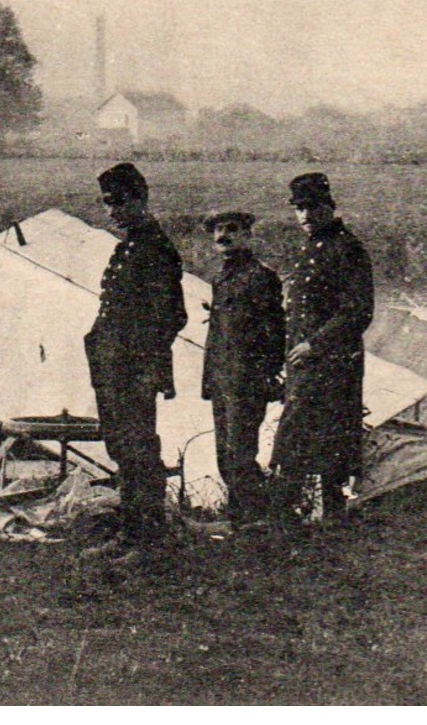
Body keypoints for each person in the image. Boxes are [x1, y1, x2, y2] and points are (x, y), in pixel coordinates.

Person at [82, 163, 187, 561]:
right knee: (123, 449)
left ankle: (149, 540)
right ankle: (130, 533)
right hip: (114, 366)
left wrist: (146, 368)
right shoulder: (128, 247)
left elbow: (172, 316)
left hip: (134, 369)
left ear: (141, 200)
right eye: (107, 203)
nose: (112, 211)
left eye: (119, 202)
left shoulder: (154, 249)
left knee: (140, 450)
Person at [271, 173, 374, 524]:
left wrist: (315, 344)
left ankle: (329, 518)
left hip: (334, 363)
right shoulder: (311, 246)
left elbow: (358, 311)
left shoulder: (347, 248)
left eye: (312, 207)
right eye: (299, 208)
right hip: (305, 363)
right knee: (297, 437)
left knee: (331, 441)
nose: (305, 215)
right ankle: (290, 517)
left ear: (330, 206)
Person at [200, 211, 285, 527]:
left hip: (247, 380)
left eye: (232, 230)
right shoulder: (221, 277)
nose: (223, 236)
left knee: (239, 454)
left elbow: (275, 331)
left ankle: (256, 521)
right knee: (225, 455)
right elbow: (218, 333)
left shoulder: (261, 277)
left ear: (248, 236)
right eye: (218, 231)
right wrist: (209, 379)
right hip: (223, 378)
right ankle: (241, 520)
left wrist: (268, 375)